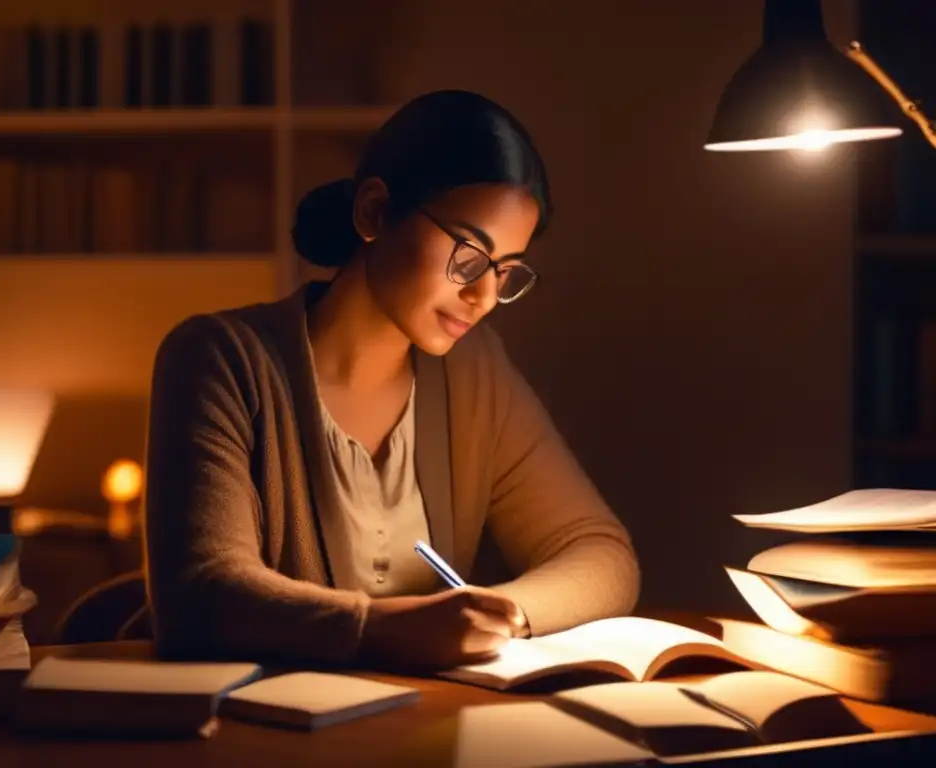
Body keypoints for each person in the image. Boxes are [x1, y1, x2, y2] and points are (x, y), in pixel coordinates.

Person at [143, 89, 639, 671]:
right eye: (469, 253)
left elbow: (600, 551)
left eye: (505, 271)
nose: (483, 297)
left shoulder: (473, 373)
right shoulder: (221, 361)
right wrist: (384, 630)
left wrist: (498, 614)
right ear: (375, 212)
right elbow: (201, 595)